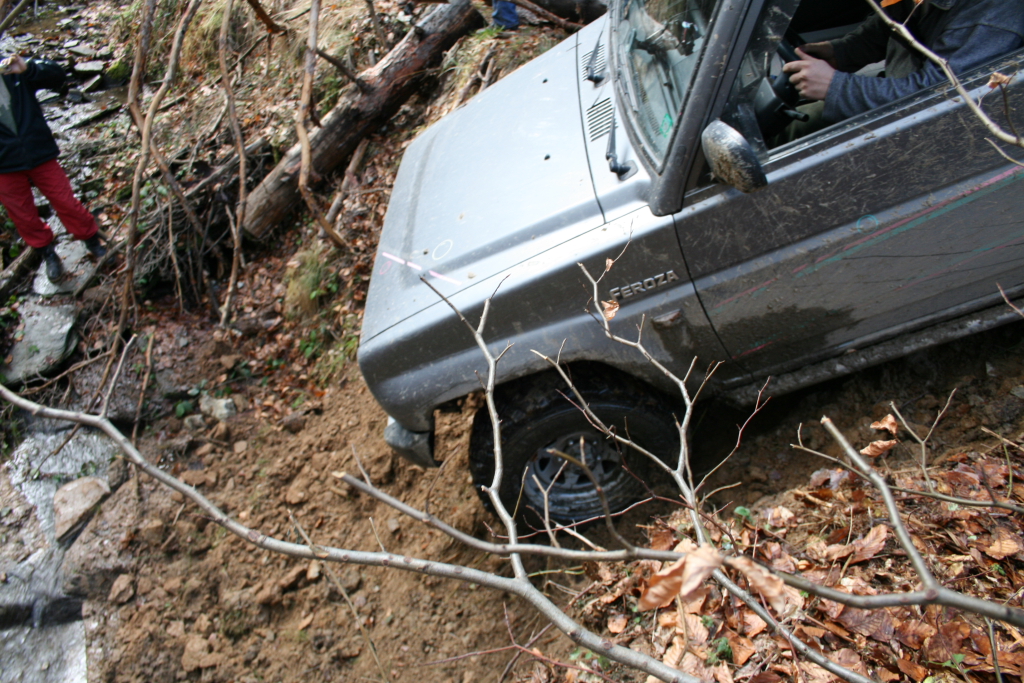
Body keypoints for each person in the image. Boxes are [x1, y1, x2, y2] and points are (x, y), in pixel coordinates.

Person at [779, 0, 1024, 137]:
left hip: (930, 131)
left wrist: (837, 87)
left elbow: (938, 99)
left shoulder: (991, 15)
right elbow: (895, 23)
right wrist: (840, 52)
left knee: (790, 133)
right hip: (900, 96)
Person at [0, 53, 106, 283]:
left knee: (65, 201)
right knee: (23, 216)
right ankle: (48, 254)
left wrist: (28, 68)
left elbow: (57, 76)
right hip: (4, 165)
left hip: (39, 151)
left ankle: (91, 240)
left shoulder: (10, 66)